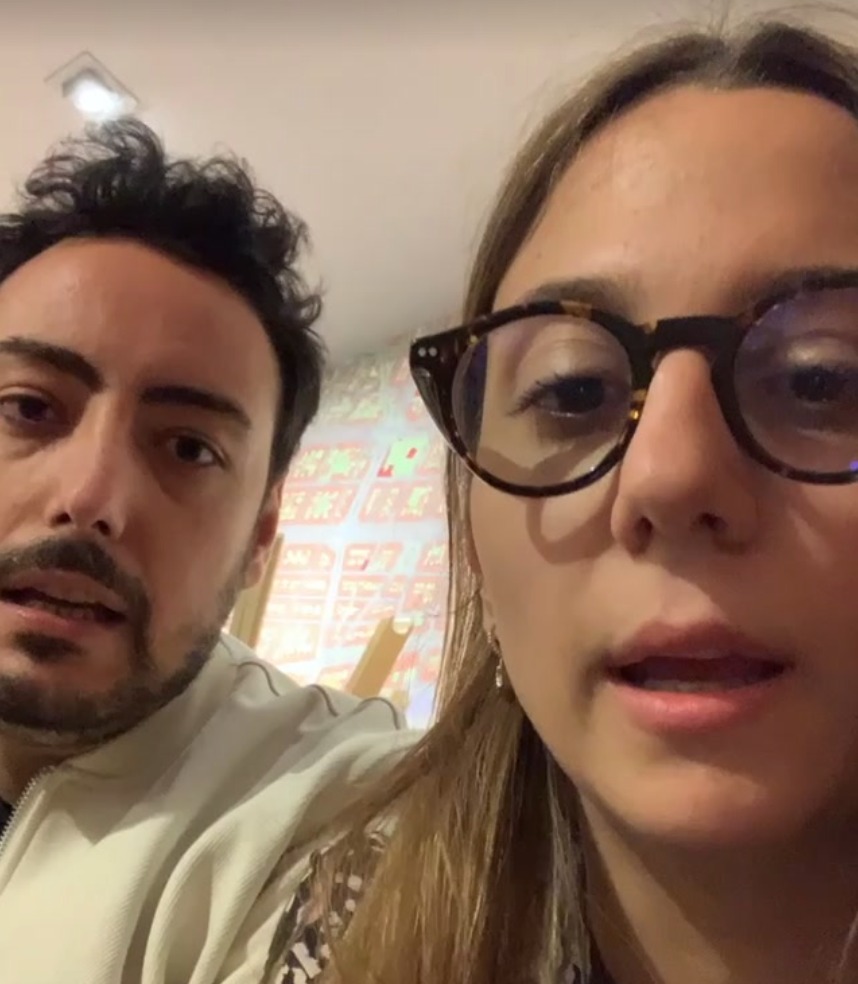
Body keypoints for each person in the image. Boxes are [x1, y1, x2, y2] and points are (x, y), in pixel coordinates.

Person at [264, 16, 858, 984]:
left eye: (821, 380)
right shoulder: (347, 923)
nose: (670, 475)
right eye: (573, 392)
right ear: (475, 541)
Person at [0, 118, 412, 984]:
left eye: (188, 448)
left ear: (261, 536)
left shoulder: (334, 805)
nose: (91, 498)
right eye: (28, 409)